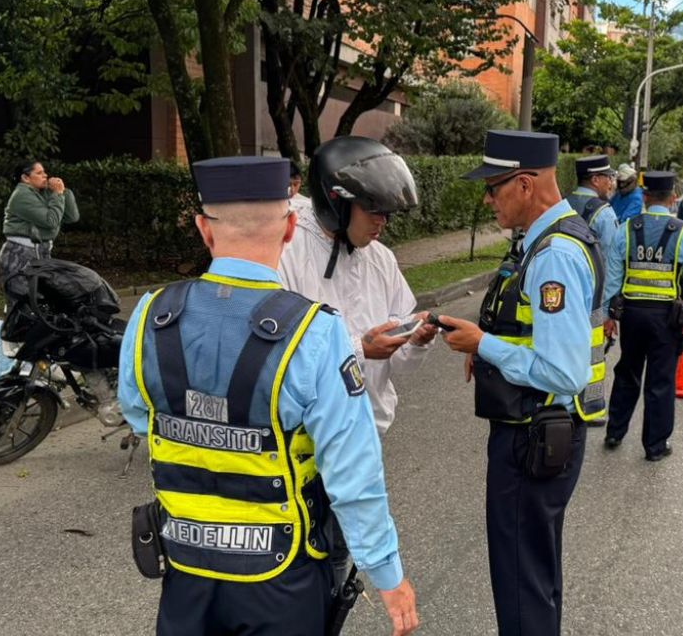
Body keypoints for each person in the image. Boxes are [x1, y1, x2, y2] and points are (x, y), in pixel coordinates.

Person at [116, 156, 418, 636]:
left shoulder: (152, 316)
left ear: (204, 229)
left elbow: (141, 415)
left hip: (186, 568)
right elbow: (352, 470)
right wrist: (387, 572)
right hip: (283, 578)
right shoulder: (316, 333)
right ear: (291, 227)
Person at [437, 130, 606, 636]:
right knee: (534, 574)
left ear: (526, 184)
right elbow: (533, 332)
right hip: (546, 431)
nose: (488, 198)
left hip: (532, 437)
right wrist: (489, 346)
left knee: (519, 582)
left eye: (494, 186)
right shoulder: (555, 240)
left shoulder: (553, 255)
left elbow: (564, 370)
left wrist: (484, 346)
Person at [280, 136, 437, 435]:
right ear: (335, 202)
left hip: (368, 435)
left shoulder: (381, 259)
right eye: (373, 210)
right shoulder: (287, 254)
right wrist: (360, 350)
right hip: (307, 441)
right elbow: (284, 360)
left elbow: (399, 365)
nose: (383, 223)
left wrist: (416, 341)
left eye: (388, 213)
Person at [602, 171, 683, 461]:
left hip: (632, 315)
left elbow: (613, 276)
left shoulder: (627, 229)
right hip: (666, 318)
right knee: (660, 380)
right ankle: (654, 446)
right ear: (673, 199)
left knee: (627, 371)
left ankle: (615, 431)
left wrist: (609, 316)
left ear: (644, 197)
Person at [0, 161, 79, 292]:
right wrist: (58, 195)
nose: (45, 175)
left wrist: (63, 191)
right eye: (39, 173)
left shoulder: (40, 194)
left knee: (41, 301)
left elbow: (71, 217)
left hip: (40, 251)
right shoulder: (22, 195)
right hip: (21, 253)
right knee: (23, 299)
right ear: (25, 178)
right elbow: (51, 221)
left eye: (44, 172)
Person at [565, 152, 619, 257]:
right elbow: (610, 258)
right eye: (608, 177)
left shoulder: (563, 203)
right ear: (595, 180)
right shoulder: (604, 212)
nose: (610, 182)